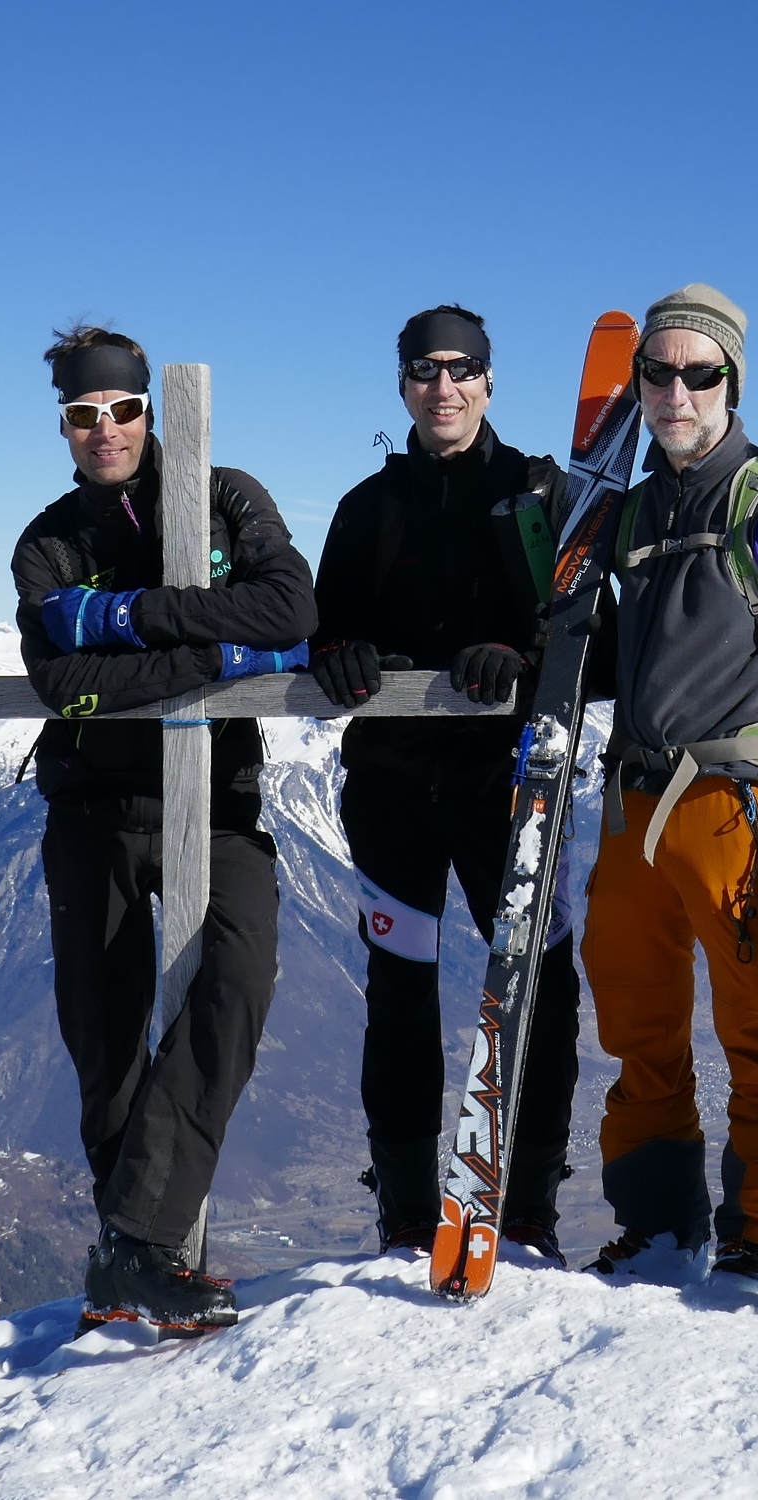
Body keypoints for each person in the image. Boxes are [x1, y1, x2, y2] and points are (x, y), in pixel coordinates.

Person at [11, 325, 316, 1333]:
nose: (106, 429)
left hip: (219, 801)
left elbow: (287, 607)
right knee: (103, 1040)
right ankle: (135, 1257)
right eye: (83, 416)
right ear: (62, 425)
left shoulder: (226, 497)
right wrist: (202, 649)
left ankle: (132, 1248)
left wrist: (125, 620)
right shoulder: (48, 539)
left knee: (237, 978)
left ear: (151, 408)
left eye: (123, 409)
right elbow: (61, 683)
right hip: (90, 807)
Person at [581, 283, 758, 1284]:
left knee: (757, 1028)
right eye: (659, 371)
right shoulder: (636, 509)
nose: (677, 390)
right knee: (635, 1021)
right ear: (640, 382)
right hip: (632, 804)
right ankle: (656, 1227)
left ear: (732, 382)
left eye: (700, 373)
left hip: (732, 805)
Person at [308, 305, 583, 1261]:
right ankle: (405, 1209)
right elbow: (325, 626)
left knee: (540, 987)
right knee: (400, 989)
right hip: (388, 788)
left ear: (490, 380)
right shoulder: (366, 507)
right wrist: (338, 654)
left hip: (508, 786)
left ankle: (533, 1204)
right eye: (424, 370)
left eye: (462, 368)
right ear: (402, 384)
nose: (443, 387)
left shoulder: (538, 492)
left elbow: (589, 629)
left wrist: (522, 648)